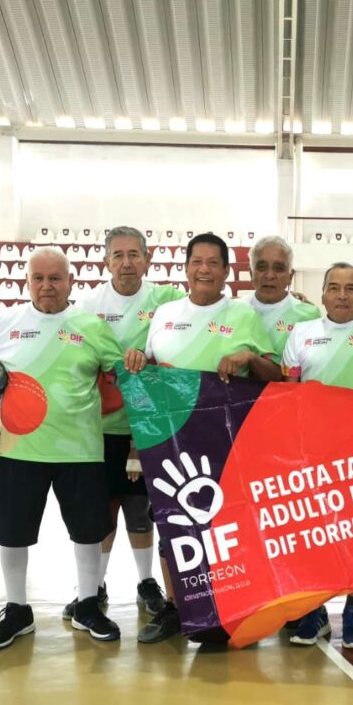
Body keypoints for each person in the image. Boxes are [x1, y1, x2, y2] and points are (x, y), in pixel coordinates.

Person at [0, 245, 124, 651]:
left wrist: (138, 439)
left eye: (55, 278)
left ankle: (88, 605)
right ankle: (17, 611)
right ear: (27, 282)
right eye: (38, 278)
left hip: (81, 451)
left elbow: (123, 379)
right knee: (12, 534)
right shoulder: (4, 322)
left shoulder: (91, 326)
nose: (47, 286)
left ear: (71, 282)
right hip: (19, 451)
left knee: (88, 533)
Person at [123, 233, 279, 643]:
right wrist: (137, 446)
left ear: (227, 271)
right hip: (171, 444)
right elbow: (148, 382)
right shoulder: (165, 314)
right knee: (172, 526)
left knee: (229, 529)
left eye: (213, 263)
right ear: (186, 268)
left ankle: (236, 608)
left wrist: (250, 358)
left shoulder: (245, 316)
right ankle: (176, 609)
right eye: (197, 261)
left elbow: (276, 377)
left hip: (228, 444)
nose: (204, 269)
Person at [62, 225, 183, 622]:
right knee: (102, 510)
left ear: (148, 259)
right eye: (118, 255)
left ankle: (147, 582)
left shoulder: (168, 300)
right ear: (106, 261)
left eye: (134, 254)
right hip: (100, 428)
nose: (127, 262)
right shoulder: (87, 305)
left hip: (151, 427)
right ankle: (94, 587)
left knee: (141, 507)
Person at [281, 262, 353, 648]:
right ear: (323, 294)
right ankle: (315, 611)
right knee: (314, 537)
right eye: (334, 287)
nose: (342, 295)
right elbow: (289, 393)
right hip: (310, 454)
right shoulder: (301, 333)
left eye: (350, 288)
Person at [245, 235, 321, 358]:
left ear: (290, 276)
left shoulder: (309, 316)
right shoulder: (234, 310)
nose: (269, 275)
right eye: (262, 267)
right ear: (251, 274)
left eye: (278, 269)